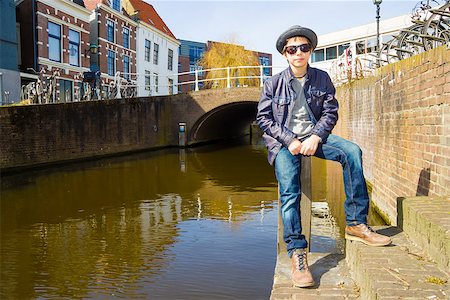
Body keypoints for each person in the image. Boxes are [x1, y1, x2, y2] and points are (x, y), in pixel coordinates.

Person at [256, 25, 391, 288]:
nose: (298, 53)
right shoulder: (273, 83)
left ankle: (355, 224)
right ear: (285, 54)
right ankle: (298, 253)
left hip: (315, 138)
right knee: (289, 191)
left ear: (310, 51)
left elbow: (330, 112)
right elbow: (264, 118)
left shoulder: (322, 78)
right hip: (284, 143)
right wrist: (289, 140)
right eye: (292, 49)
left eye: (304, 48)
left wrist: (316, 136)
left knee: (352, 152)